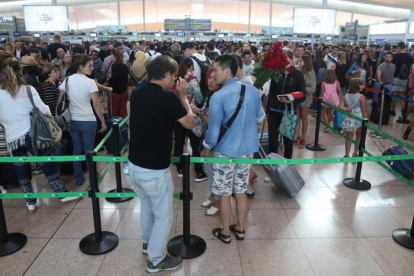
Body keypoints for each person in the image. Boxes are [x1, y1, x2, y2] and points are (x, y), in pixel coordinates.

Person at [127, 55, 194, 273]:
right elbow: (190, 123)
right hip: (154, 170)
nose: (175, 80)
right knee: (163, 216)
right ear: (165, 75)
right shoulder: (168, 97)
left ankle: (148, 245)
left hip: (134, 166)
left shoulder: (136, 94)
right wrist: (183, 97)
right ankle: (156, 260)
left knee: (147, 207)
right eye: (174, 76)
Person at [0, 51, 82, 214]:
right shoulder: (27, 90)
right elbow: (45, 110)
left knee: (21, 168)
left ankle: (30, 202)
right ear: (20, 72)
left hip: (12, 137)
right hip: (32, 134)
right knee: (47, 163)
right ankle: (61, 194)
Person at [200, 54, 265, 244]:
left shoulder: (218, 97)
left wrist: (205, 149)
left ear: (227, 71)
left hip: (224, 152)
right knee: (241, 190)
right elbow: (260, 119)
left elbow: (212, 132)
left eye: (216, 69)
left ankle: (226, 232)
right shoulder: (252, 91)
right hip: (246, 151)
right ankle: (241, 229)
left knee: (225, 193)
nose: (213, 72)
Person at [59, 54, 107, 185]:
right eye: (89, 66)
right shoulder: (90, 82)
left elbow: (60, 98)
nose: (92, 68)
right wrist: (102, 121)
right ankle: (93, 176)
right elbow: (96, 104)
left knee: (77, 149)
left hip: (74, 120)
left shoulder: (68, 80)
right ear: (81, 67)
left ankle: (78, 177)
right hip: (88, 120)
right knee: (89, 150)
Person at [267, 49, 306, 159]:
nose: (285, 64)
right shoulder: (277, 74)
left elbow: (303, 94)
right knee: (273, 141)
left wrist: (292, 100)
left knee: (288, 141)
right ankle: (272, 167)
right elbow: (272, 91)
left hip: (289, 112)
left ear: (293, 60)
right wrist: (268, 110)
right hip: (275, 110)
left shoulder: (298, 75)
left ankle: (287, 166)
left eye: (287, 61)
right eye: (282, 61)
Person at [173, 57, 207, 181]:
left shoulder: (176, 78)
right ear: (191, 67)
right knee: (195, 143)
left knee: (178, 142)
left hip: (177, 116)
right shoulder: (192, 80)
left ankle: (179, 168)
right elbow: (198, 98)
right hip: (189, 114)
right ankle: (199, 172)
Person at [196, 73, 223, 216]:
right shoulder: (211, 96)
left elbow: (214, 124)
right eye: (210, 78)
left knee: (215, 172)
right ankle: (212, 196)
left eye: (214, 78)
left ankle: (218, 202)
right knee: (209, 170)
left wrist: (199, 114)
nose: (210, 81)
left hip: (215, 141)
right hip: (208, 138)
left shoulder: (219, 98)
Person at [339, 78, 368, 157]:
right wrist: (366, 120)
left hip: (349, 117)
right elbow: (364, 110)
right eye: (361, 84)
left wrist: (347, 109)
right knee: (358, 135)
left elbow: (341, 106)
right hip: (358, 118)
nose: (363, 86)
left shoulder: (345, 96)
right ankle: (355, 153)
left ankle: (346, 154)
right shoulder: (361, 97)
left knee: (348, 136)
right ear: (357, 86)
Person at [294, 55, 316, 148]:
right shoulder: (300, 71)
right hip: (298, 98)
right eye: (299, 61)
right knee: (297, 117)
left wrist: (302, 89)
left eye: (301, 61)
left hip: (305, 99)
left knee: (304, 118)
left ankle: (303, 138)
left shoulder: (310, 73)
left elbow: (312, 88)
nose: (299, 63)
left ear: (306, 62)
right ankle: (295, 136)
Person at [391, 42, 414, 117]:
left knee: (394, 93)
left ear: (398, 47)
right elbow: (411, 68)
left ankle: (393, 110)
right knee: (401, 94)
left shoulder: (395, 56)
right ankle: (404, 111)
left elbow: (392, 67)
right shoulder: (410, 57)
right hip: (405, 78)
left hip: (396, 77)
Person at [107, 48, 129, 118]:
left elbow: (114, 77)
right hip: (124, 90)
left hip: (115, 92)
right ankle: (123, 125)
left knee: (114, 110)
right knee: (123, 110)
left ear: (114, 56)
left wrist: (107, 82)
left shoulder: (114, 66)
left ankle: (115, 126)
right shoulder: (125, 66)